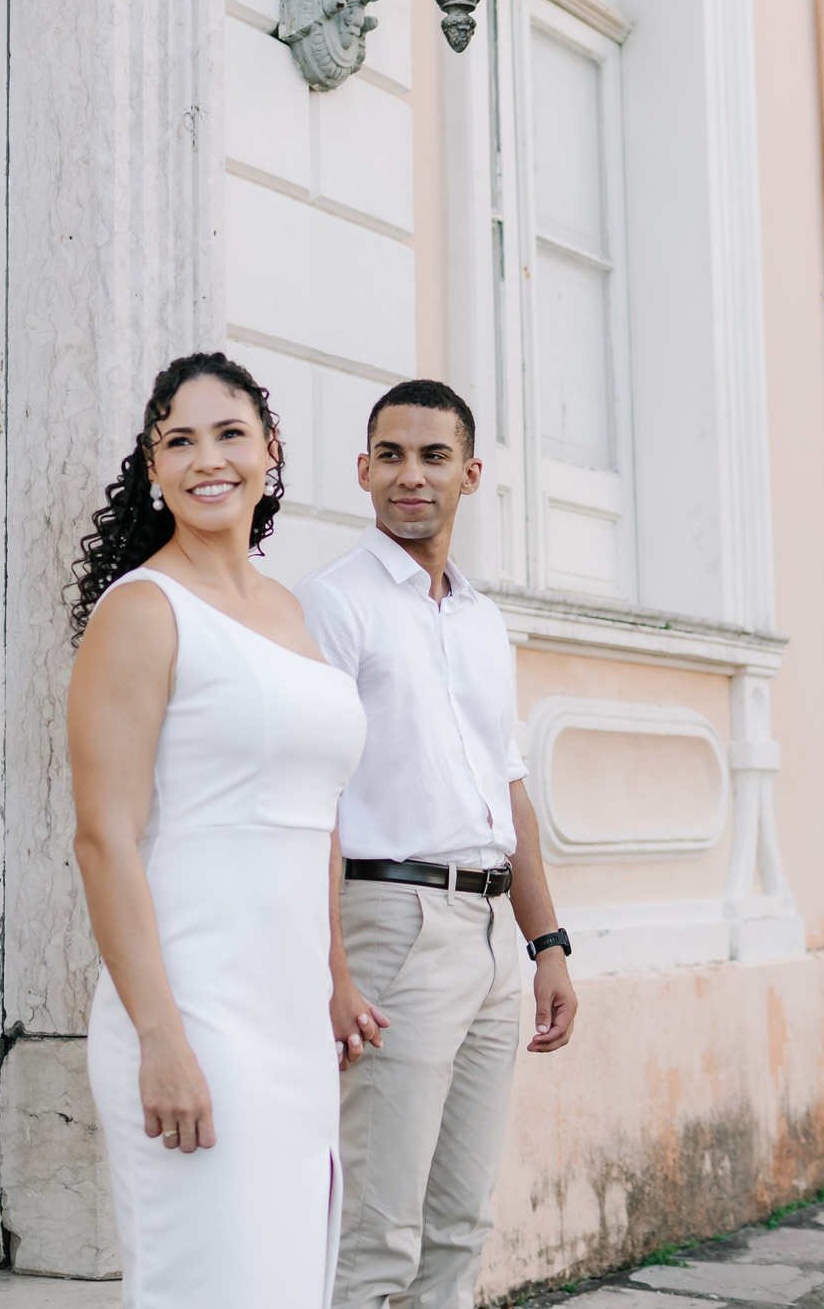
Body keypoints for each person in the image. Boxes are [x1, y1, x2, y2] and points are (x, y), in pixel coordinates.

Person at [68, 352, 368, 1307]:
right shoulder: (142, 612)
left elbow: (318, 818)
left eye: (230, 433)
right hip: (193, 1012)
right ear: (153, 470)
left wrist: (334, 981)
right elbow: (103, 838)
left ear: (270, 451)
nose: (209, 458)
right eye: (179, 440)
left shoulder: (289, 611)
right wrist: (161, 1035)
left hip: (291, 1023)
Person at [299, 379, 580, 1309]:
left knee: (460, 1222)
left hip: (492, 933)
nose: (409, 475)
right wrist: (334, 969)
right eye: (390, 455)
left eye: (431, 456)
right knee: (378, 1231)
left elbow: (508, 790)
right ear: (363, 470)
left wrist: (546, 945)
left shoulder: (481, 619)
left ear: (471, 472)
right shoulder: (334, 606)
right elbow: (317, 799)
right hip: (393, 921)